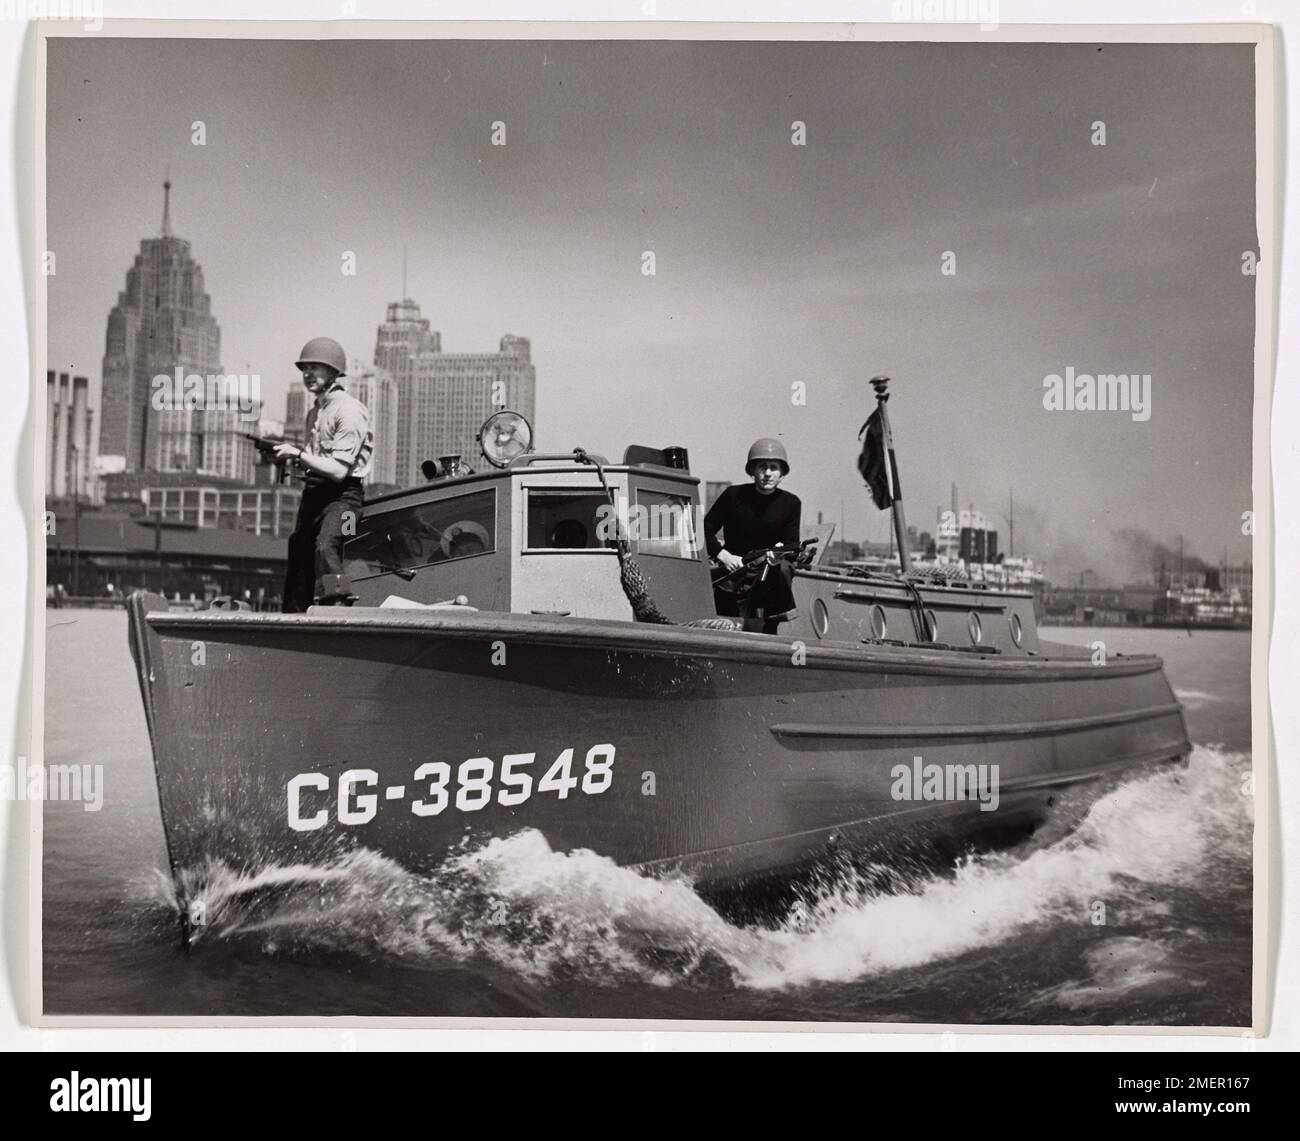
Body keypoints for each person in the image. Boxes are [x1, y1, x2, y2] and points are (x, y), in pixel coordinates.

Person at [276, 337, 374, 611]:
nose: (308, 374)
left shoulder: (349, 410)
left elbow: (339, 470)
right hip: (314, 494)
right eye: (305, 368)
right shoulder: (314, 413)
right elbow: (315, 461)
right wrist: (290, 459)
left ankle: (338, 603)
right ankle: (293, 616)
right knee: (299, 548)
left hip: (345, 498)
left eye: (315, 367)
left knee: (326, 543)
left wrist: (297, 454)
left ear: (333, 372)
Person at [704, 438, 802, 631]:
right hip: (732, 572)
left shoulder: (791, 504)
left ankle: (774, 620)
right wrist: (724, 555)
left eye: (773, 468)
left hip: (766, 576)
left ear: (782, 474)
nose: (767, 473)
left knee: (783, 570)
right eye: (762, 467)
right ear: (752, 471)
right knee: (725, 626)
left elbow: (792, 547)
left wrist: (778, 556)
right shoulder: (733, 495)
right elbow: (704, 530)